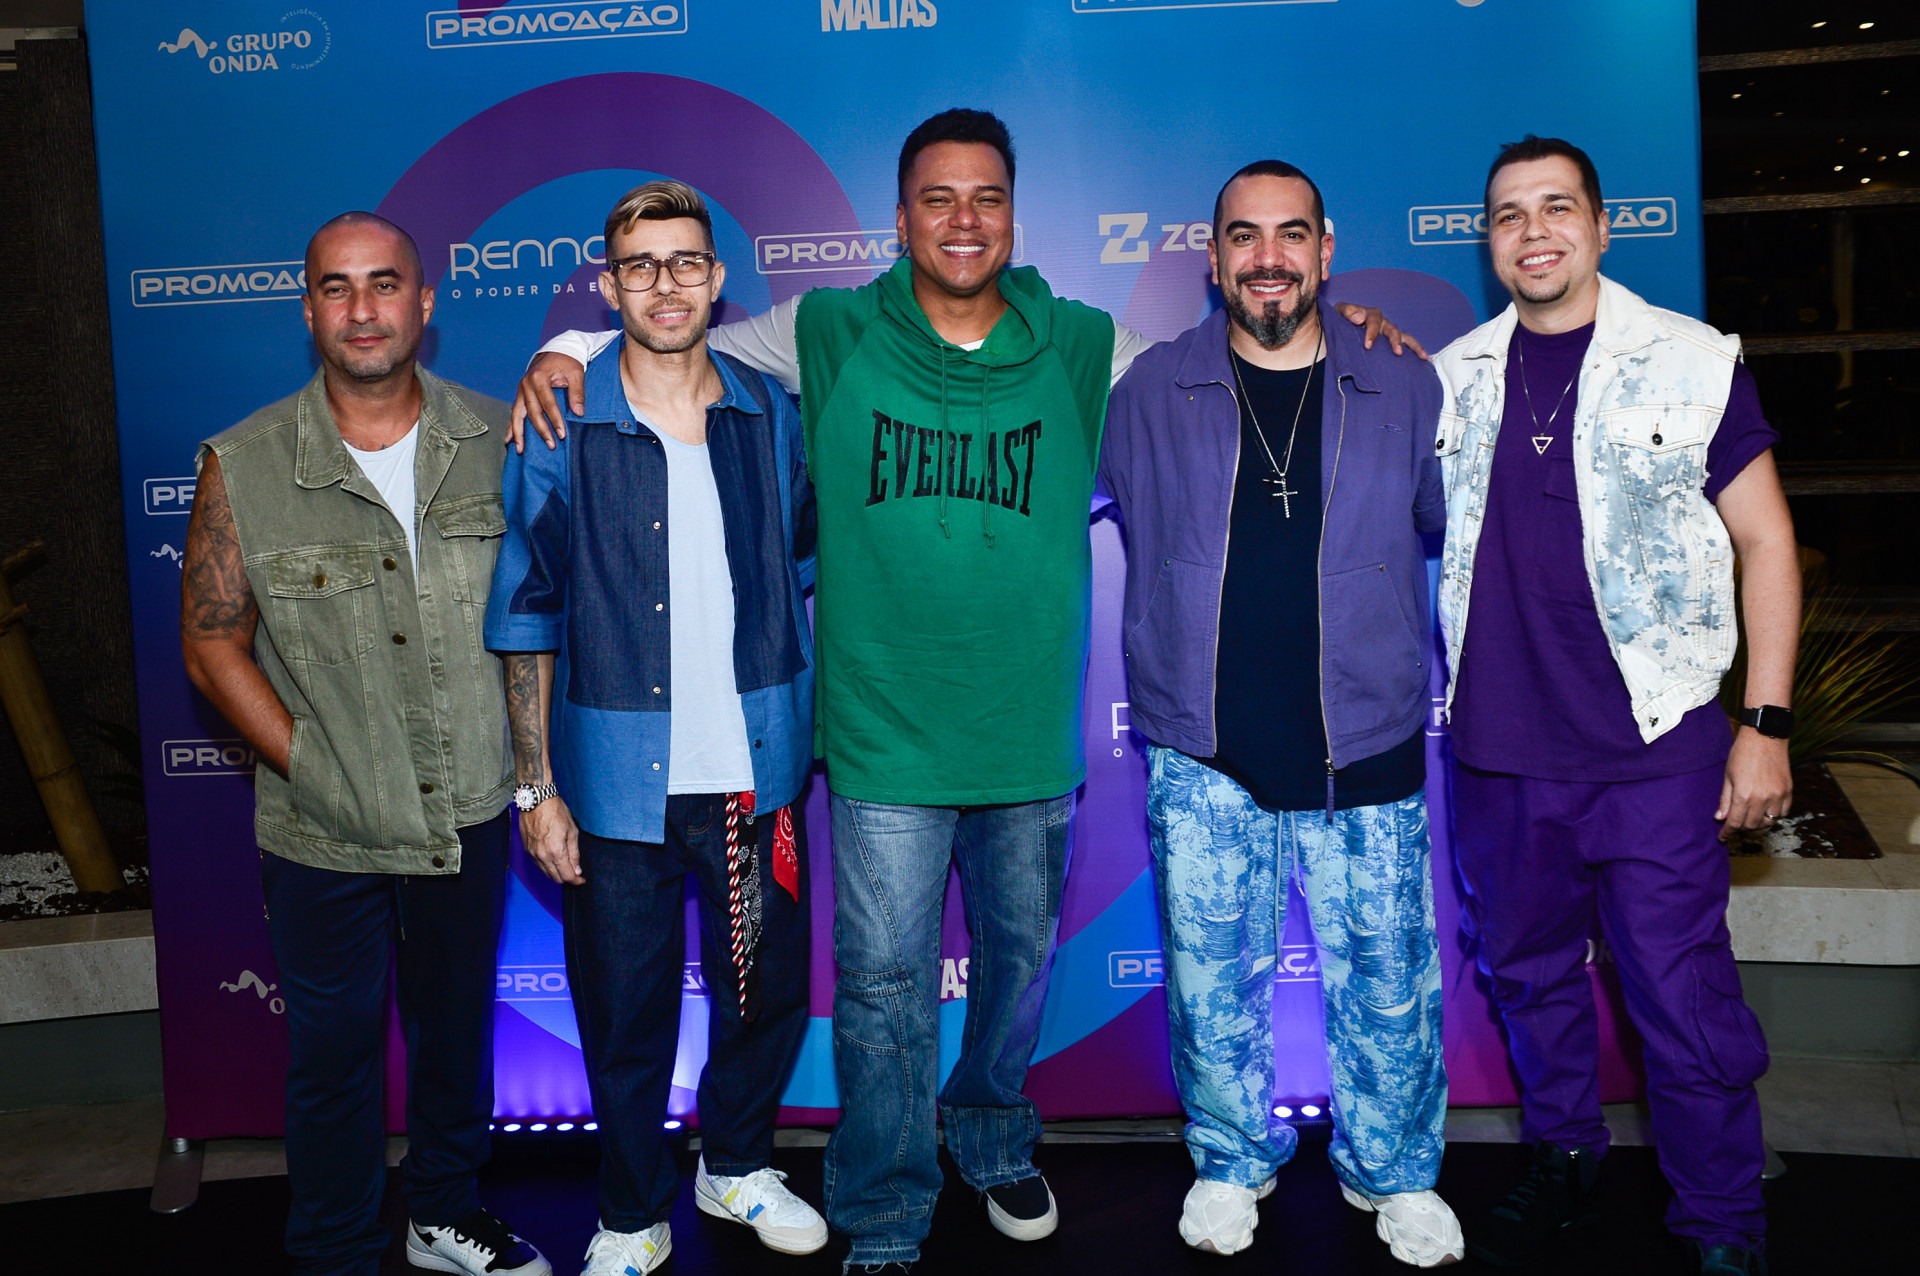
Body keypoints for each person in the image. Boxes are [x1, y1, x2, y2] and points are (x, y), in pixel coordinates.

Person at [513, 110, 1413, 1272]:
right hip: (882, 738)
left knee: (1015, 972)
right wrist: (571, 347)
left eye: (985, 197)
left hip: (1026, 738)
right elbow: (672, 331)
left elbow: (1236, 361)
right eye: (938, 198)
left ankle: (992, 1137)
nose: (963, 219)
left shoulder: (1083, 345)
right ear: (901, 221)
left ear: (1013, 216)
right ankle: (886, 1200)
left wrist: (1352, 330)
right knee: (883, 987)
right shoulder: (830, 330)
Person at [1433, 136, 1797, 1276]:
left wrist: (1766, 724)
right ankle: (1565, 1160)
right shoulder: (1453, 377)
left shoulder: (1690, 361)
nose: (1533, 231)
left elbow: (1767, 542)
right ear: (1488, 241)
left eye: (1557, 208)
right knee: (1529, 981)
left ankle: (1720, 1218)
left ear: (1600, 226)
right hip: (1499, 756)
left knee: (1683, 1002)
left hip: (1655, 751)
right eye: (1509, 214)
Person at [1100, 160, 1461, 1268]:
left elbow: (1447, 522)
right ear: (1213, 259)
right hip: (1206, 748)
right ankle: (1229, 1159)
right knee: (1212, 984)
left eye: (1291, 234)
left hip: (1369, 740)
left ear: (1325, 249)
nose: (1269, 257)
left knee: (1390, 986)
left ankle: (1394, 1172)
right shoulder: (1148, 391)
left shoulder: (1403, 382)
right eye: (1244, 236)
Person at [180, 213, 547, 1276]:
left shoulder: (501, 440)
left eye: (384, 283)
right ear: (308, 311)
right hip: (321, 830)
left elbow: (537, 618)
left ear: (424, 302)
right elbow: (211, 643)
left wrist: (531, 777)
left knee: (454, 1033)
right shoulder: (246, 463)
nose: (362, 308)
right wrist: (309, 764)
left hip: (468, 808)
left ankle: (442, 1214)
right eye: (336, 288)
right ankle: (336, 1248)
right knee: (333, 1057)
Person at [483, 180, 825, 1275]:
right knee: (625, 1014)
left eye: (685, 262)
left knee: (762, 995)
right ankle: (631, 1215)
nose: (665, 284)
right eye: (640, 265)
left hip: (753, 781)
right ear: (610, 285)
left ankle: (736, 1164)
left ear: (717, 278)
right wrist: (535, 787)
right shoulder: (561, 419)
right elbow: (525, 608)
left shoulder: (770, 413)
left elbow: (802, 562)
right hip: (616, 784)